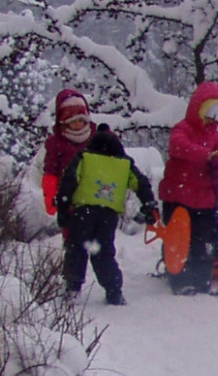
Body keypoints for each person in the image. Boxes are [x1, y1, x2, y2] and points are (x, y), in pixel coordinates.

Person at [56, 125, 157, 305]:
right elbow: (141, 184)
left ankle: (72, 289)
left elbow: (68, 182)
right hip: (108, 215)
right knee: (104, 253)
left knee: (76, 249)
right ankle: (114, 291)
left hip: (83, 211)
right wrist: (149, 205)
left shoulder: (84, 157)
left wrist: (63, 209)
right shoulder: (124, 163)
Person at [159, 83, 218, 295]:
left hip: (204, 200)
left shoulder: (215, 137)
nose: (213, 118)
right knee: (178, 241)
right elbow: (178, 146)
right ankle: (179, 280)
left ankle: (201, 280)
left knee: (202, 242)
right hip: (178, 198)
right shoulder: (183, 129)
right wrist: (205, 155)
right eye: (210, 112)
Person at [41, 89, 93, 217]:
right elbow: (50, 170)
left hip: (94, 195)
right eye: (72, 121)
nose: (77, 124)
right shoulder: (56, 143)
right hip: (67, 197)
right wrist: (50, 195)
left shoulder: (96, 138)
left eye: (80, 120)